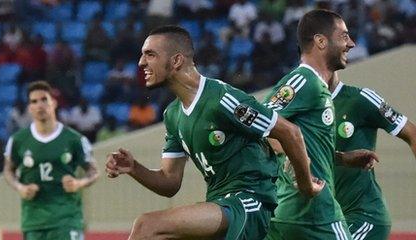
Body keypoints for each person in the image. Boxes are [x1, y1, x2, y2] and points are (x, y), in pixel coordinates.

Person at [105, 25, 325, 240]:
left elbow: (290, 132)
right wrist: (134, 168)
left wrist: (305, 185)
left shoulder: (222, 99)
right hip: (219, 205)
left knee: (147, 225)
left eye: (149, 54)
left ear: (176, 60)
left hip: (249, 203)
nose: (141, 62)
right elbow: (170, 182)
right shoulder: (173, 115)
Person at [262, 10, 376, 240]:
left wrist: (341, 158)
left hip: (288, 215)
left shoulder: (316, 87)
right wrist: (297, 166)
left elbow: (294, 140)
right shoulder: (305, 81)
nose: (351, 44)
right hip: (316, 214)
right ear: (321, 41)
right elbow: (259, 124)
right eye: (344, 36)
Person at [3, 81, 99, 240]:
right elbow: (8, 170)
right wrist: (20, 187)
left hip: (66, 218)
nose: (40, 105)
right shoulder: (18, 140)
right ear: (29, 108)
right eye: (34, 101)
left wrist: (78, 184)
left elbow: (94, 171)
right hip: (33, 221)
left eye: (44, 99)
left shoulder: (74, 139)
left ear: (53, 103)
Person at [330, 72, 416, 240]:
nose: (348, 44)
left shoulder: (360, 99)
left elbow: (412, 133)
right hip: (323, 217)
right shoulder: (302, 101)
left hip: (363, 215)